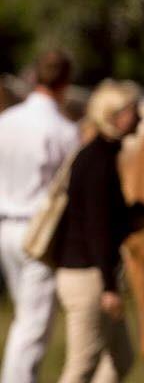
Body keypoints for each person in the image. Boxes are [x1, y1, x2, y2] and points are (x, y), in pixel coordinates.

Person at [53, 79, 142, 383]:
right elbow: (96, 228)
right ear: (115, 116)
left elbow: (102, 217)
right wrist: (107, 286)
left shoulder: (101, 155)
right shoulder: (97, 161)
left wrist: (134, 215)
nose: (140, 116)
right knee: (81, 366)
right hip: (88, 277)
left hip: (91, 272)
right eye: (134, 110)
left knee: (121, 359)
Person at [0, 50, 80, 383]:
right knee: (32, 327)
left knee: (24, 318)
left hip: (6, 225)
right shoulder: (62, 129)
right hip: (39, 231)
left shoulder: (6, 121)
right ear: (65, 82)